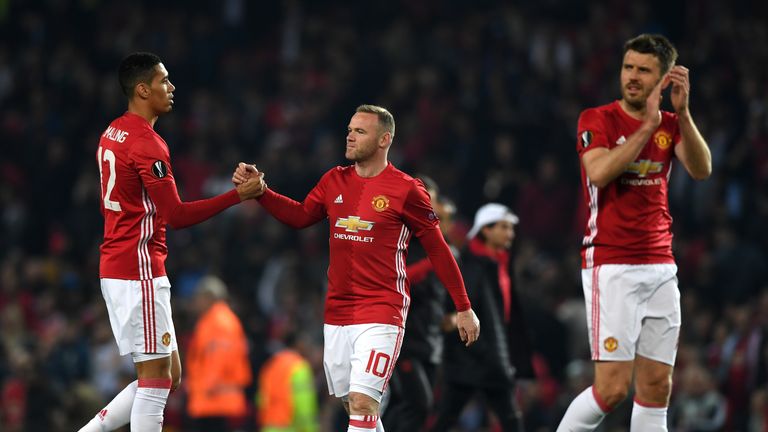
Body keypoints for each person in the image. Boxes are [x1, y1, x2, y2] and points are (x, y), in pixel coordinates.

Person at [233, 104, 480, 432]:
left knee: (365, 402)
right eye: (349, 129)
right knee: (355, 406)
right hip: (337, 311)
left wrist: (464, 307)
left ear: (383, 140)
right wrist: (262, 193)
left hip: (382, 309)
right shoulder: (334, 180)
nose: (349, 136)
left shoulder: (407, 189)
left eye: (360, 131)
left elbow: (438, 249)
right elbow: (300, 216)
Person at [79, 52, 265, 432]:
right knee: (155, 382)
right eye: (164, 81)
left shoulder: (111, 132)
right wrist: (238, 196)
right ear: (143, 89)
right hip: (139, 269)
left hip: (119, 262)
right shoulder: (149, 144)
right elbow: (176, 216)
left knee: (170, 375)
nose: (172, 87)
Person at [557, 34, 712, 431]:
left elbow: (701, 169)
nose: (632, 76)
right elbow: (600, 171)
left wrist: (684, 113)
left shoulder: (673, 125)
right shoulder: (597, 119)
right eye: (629, 67)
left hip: (661, 266)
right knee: (611, 390)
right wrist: (646, 129)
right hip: (611, 264)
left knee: (657, 386)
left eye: (644, 70)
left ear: (664, 80)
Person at [431, 203, 534, 432]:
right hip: (479, 358)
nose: (511, 233)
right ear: (486, 230)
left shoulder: (496, 263)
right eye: (504, 227)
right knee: (510, 420)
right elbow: (467, 312)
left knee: (447, 419)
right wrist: (494, 355)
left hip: (480, 358)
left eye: (511, 228)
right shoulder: (473, 266)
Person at [381, 177, 456, 432]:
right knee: (418, 404)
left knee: (406, 405)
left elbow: (439, 294)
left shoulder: (432, 244)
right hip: (405, 340)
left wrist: (451, 316)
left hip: (430, 340)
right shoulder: (399, 239)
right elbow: (396, 279)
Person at [186, 275, 252, 431]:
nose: (196, 302)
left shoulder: (220, 321)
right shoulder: (213, 320)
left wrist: (206, 386)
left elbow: (219, 357)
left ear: (209, 297)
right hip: (213, 400)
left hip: (216, 400)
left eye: (198, 297)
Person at [257, 331, 320, 432]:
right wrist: (310, 429)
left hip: (268, 427)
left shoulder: (271, 364)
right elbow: (304, 404)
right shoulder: (299, 367)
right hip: (291, 427)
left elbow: (261, 399)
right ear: (299, 344)